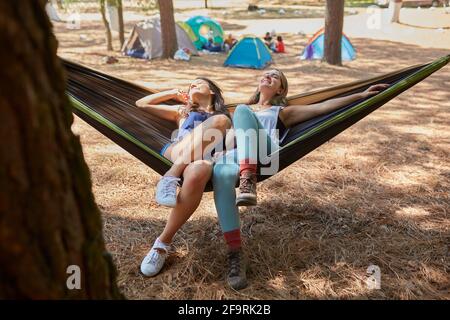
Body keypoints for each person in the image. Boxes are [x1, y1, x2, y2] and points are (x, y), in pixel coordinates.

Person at [212, 69, 390, 289]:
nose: (268, 76)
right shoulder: (239, 113)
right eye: (266, 74)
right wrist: (219, 152)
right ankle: (235, 254)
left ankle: (249, 176)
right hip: (237, 156)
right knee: (220, 173)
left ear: (281, 89)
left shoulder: (282, 112)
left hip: (266, 154)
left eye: (275, 76)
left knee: (241, 110)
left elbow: (322, 108)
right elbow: (230, 142)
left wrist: (360, 96)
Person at [135, 78, 231, 277]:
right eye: (190, 85)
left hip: (203, 160)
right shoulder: (182, 111)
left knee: (201, 170)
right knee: (221, 122)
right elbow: (141, 104)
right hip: (178, 150)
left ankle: (161, 244)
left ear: (212, 91)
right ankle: (172, 175)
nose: (192, 85)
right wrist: (171, 93)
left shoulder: (224, 115)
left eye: (198, 83)